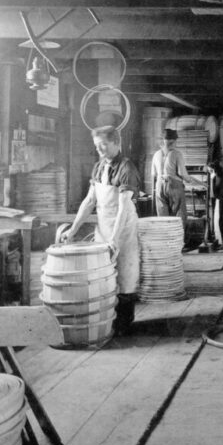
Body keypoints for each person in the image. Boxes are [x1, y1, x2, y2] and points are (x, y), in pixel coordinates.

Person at [60, 126, 141, 336]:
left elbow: (124, 206)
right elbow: (89, 201)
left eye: (104, 145)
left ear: (116, 143)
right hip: (104, 228)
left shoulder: (126, 167)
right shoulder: (98, 167)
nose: (100, 150)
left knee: (125, 276)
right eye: (97, 146)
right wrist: (73, 230)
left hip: (122, 230)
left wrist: (114, 239)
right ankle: (106, 321)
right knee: (103, 276)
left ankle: (124, 325)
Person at [155, 129, 206, 230]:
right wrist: (189, 180)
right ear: (174, 141)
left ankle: (166, 242)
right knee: (180, 215)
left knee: (163, 217)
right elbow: (182, 173)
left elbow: (154, 174)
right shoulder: (177, 154)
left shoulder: (156, 154)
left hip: (159, 185)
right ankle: (179, 243)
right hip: (174, 186)